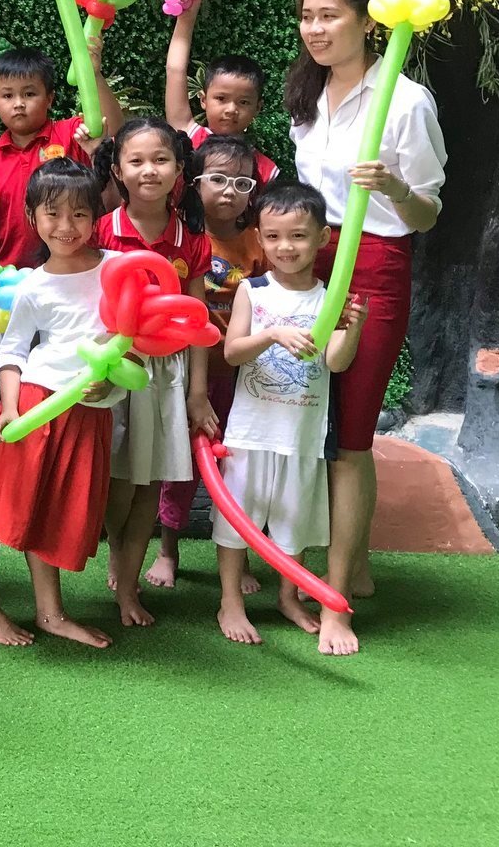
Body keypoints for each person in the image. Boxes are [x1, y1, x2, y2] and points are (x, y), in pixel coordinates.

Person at [289, 0, 444, 655]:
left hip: (374, 268)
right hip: (306, 263)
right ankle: (349, 564)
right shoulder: (306, 94)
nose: (315, 29)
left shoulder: (405, 101)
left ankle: (337, 601)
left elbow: (428, 212)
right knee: (308, 418)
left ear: (366, 21)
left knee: (350, 437)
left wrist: (394, 186)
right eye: (307, 17)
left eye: (329, 16)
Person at [0, 160, 118, 649]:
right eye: (53, 214)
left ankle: (51, 613)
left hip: (88, 410)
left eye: (79, 214)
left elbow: (135, 337)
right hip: (32, 406)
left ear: (96, 217)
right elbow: (12, 352)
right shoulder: (31, 284)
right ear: (32, 217)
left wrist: (111, 385)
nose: (66, 226)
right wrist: (10, 408)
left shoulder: (117, 269)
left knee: (54, 507)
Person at [213, 183, 366, 650]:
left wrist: (353, 327)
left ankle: (288, 596)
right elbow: (232, 352)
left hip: (302, 432)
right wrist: (273, 334)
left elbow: (335, 362)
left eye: (298, 235)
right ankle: (230, 602)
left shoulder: (330, 298)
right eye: (274, 236)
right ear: (259, 238)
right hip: (251, 431)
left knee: (294, 522)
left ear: (322, 238)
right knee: (236, 521)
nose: (286, 247)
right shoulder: (253, 291)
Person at [92, 117, 210, 629]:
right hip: (113, 369)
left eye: (161, 160)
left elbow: (200, 321)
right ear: (117, 170)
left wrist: (198, 393)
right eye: (136, 161)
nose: (149, 170)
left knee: (148, 484)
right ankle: (116, 555)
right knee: (117, 482)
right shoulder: (100, 230)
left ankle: (128, 584)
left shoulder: (191, 240)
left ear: (179, 168)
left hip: (165, 376)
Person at [148, 133, 266, 591]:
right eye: (217, 179)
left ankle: (241, 557)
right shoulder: (185, 239)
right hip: (188, 373)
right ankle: (167, 550)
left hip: (242, 379)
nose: (229, 191)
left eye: (242, 183)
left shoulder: (260, 243)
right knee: (180, 466)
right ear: (193, 183)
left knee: (239, 467)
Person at [0, 46, 122, 270]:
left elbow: (112, 127)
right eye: (7, 95)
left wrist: (94, 75)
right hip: (11, 276)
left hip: (77, 270)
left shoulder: (71, 133)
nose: (18, 103)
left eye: (29, 94)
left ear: (50, 98)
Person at [162, 0, 278, 183]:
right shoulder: (191, 138)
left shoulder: (266, 171)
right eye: (221, 98)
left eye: (243, 102)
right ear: (203, 100)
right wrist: (186, 17)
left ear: (258, 107)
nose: (231, 109)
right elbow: (175, 70)